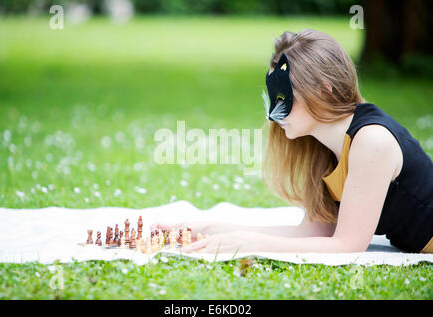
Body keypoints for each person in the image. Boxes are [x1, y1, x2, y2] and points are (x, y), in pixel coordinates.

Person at [151, 29, 433, 254]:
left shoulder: (372, 141)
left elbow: (347, 246)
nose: (273, 112)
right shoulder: (328, 149)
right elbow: (309, 235)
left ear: (323, 91)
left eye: (284, 97)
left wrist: (250, 244)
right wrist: (208, 227)